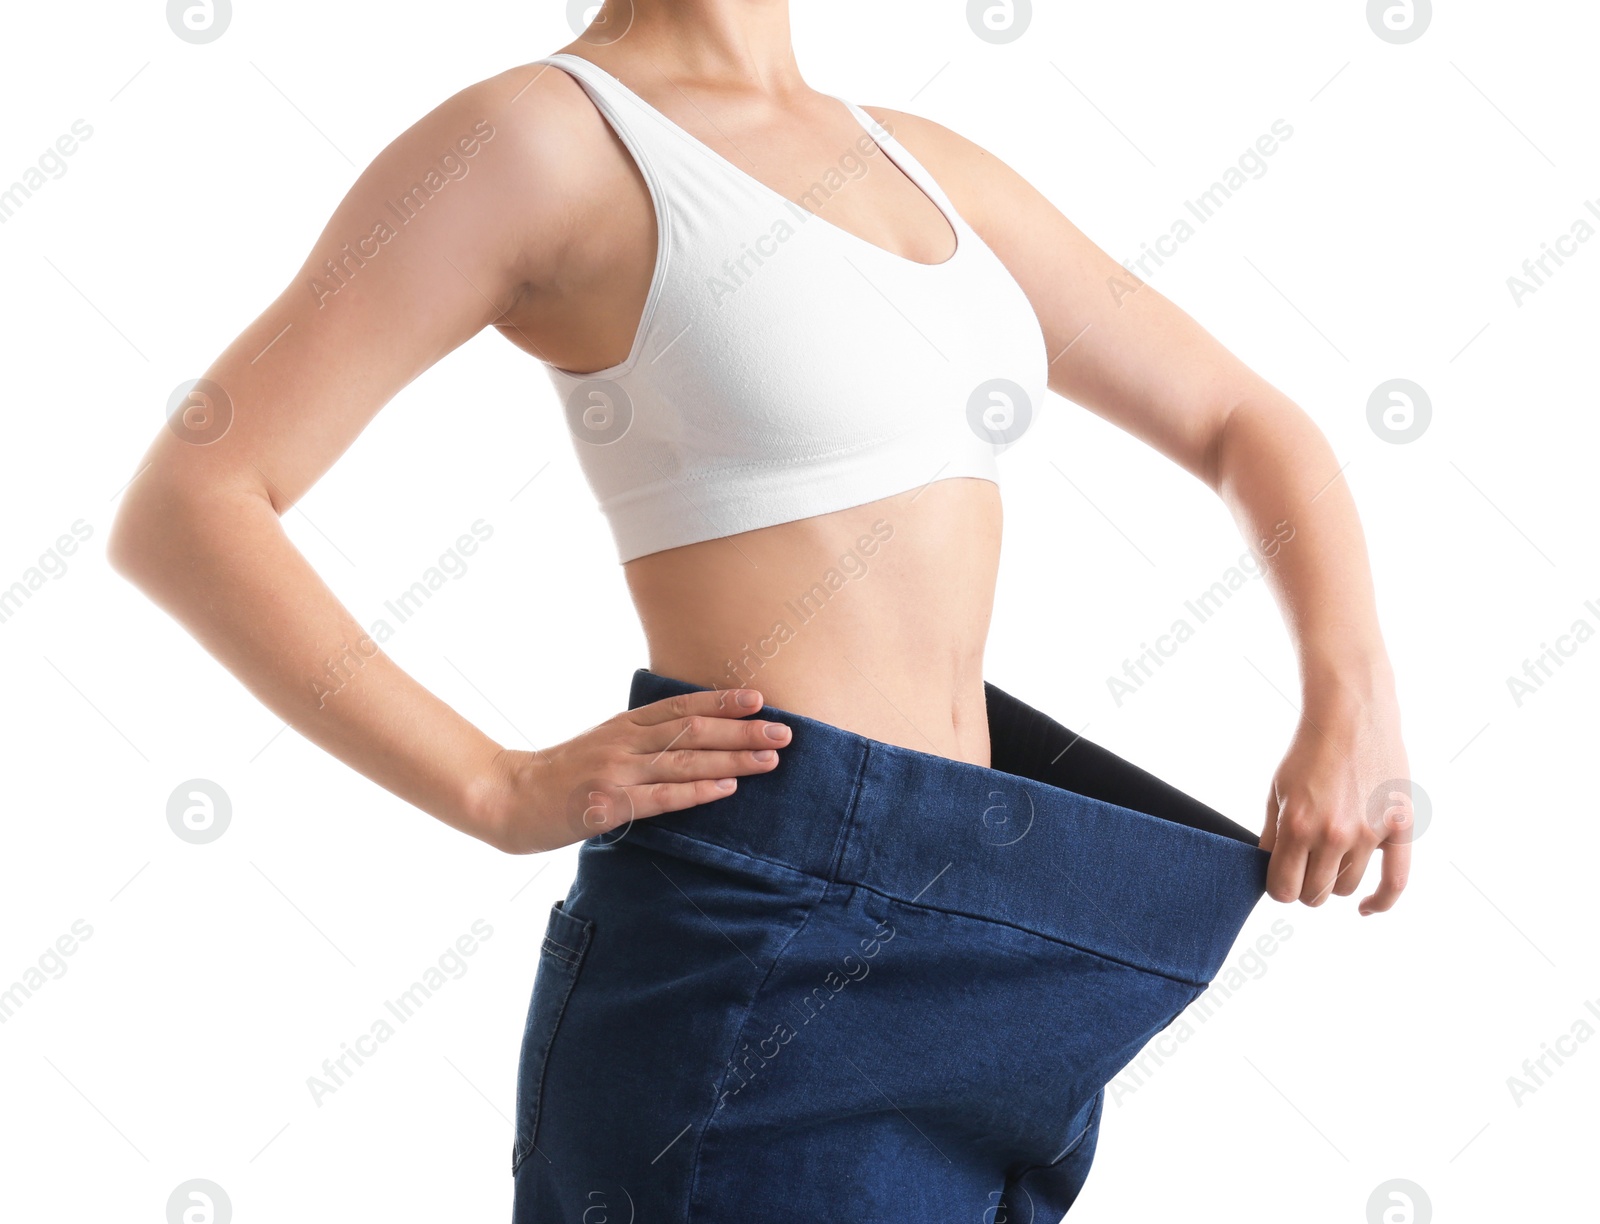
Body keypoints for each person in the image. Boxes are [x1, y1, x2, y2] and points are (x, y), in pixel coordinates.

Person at [108, 2, 1412, 1219]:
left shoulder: (920, 165)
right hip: (763, 944)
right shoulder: (543, 140)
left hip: (998, 932)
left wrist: (1352, 702)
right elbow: (193, 502)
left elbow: (1248, 422)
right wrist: (490, 786)